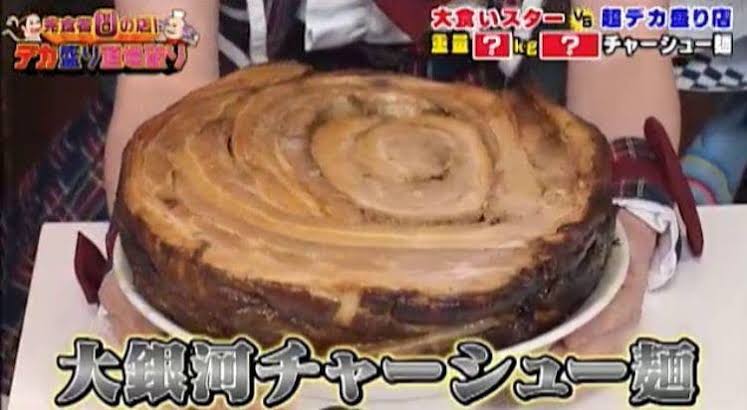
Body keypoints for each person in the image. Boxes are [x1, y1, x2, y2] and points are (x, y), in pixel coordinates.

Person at [0, 0, 686, 400]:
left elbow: (620, 45)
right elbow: (162, 76)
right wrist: (150, 265)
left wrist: (627, 222)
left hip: (488, 161)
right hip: (217, 155)